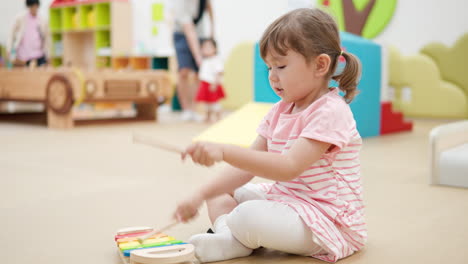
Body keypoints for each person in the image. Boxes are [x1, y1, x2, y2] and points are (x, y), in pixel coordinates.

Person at [173, 8, 366, 263]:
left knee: (248, 215)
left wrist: (224, 150)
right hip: (286, 199)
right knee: (220, 193)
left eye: (281, 66)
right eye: (269, 68)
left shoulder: (330, 111)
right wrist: (200, 195)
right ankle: (230, 238)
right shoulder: (280, 110)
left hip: (326, 219)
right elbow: (247, 165)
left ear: (320, 65)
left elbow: (288, 168)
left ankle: (234, 235)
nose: (273, 77)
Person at [172, 0, 214, 121]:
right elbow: (189, 30)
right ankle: (186, 109)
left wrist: (212, 32)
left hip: (199, 35)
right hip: (181, 34)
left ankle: (194, 109)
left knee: (197, 74)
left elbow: (210, 10)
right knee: (184, 71)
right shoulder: (181, 3)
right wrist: (197, 56)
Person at [7, 0, 50, 67]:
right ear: (28, 7)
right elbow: (11, 33)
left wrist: (48, 55)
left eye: (35, 6)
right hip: (23, 56)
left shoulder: (43, 20)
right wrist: (9, 49)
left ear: (38, 6)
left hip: (39, 55)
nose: (33, 8)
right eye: (31, 6)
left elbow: (47, 38)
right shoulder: (20, 18)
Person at [195, 39, 225, 122]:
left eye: (209, 47)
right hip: (204, 84)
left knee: (215, 103)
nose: (207, 49)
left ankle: (219, 116)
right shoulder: (205, 60)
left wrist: (215, 84)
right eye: (204, 47)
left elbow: (219, 72)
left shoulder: (216, 60)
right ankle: (208, 116)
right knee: (206, 103)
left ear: (215, 49)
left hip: (212, 84)